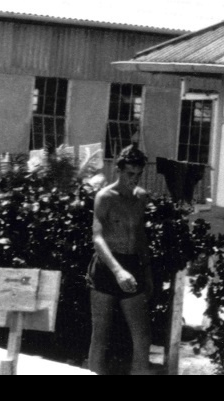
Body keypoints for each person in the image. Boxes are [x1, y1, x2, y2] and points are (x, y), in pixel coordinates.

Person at [87, 144, 153, 375]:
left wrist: (146, 271)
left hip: (133, 264)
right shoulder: (105, 197)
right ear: (119, 171)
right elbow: (97, 237)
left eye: (138, 174)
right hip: (107, 266)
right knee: (100, 335)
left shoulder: (141, 197)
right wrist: (118, 271)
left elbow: (140, 235)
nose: (133, 179)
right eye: (129, 174)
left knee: (142, 337)